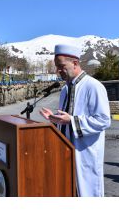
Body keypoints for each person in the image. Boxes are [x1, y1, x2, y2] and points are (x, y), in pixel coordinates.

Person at [39, 44, 111, 197]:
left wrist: (71, 121)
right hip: (65, 151)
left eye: (61, 66)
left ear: (75, 63)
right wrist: (54, 119)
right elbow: (65, 120)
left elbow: (104, 120)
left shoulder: (94, 86)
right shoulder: (65, 89)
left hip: (85, 153)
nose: (58, 71)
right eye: (57, 67)